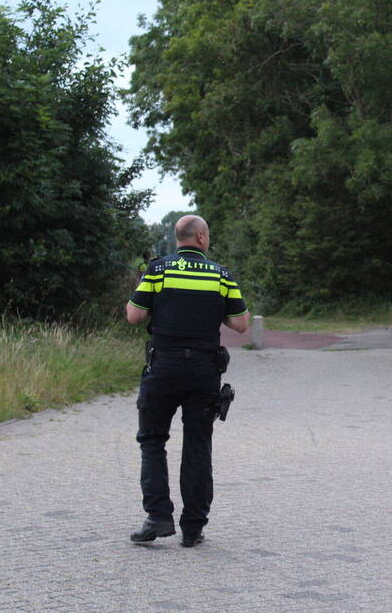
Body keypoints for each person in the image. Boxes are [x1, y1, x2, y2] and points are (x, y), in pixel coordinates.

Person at [125, 215, 249, 547]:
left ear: (178, 239)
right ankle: (193, 528)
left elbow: (134, 316)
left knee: (152, 441)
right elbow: (241, 324)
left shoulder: (158, 270)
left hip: (162, 367)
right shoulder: (221, 275)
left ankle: (158, 517)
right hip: (203, 371)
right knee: (197, 444)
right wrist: (215, 310)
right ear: (202, 238)